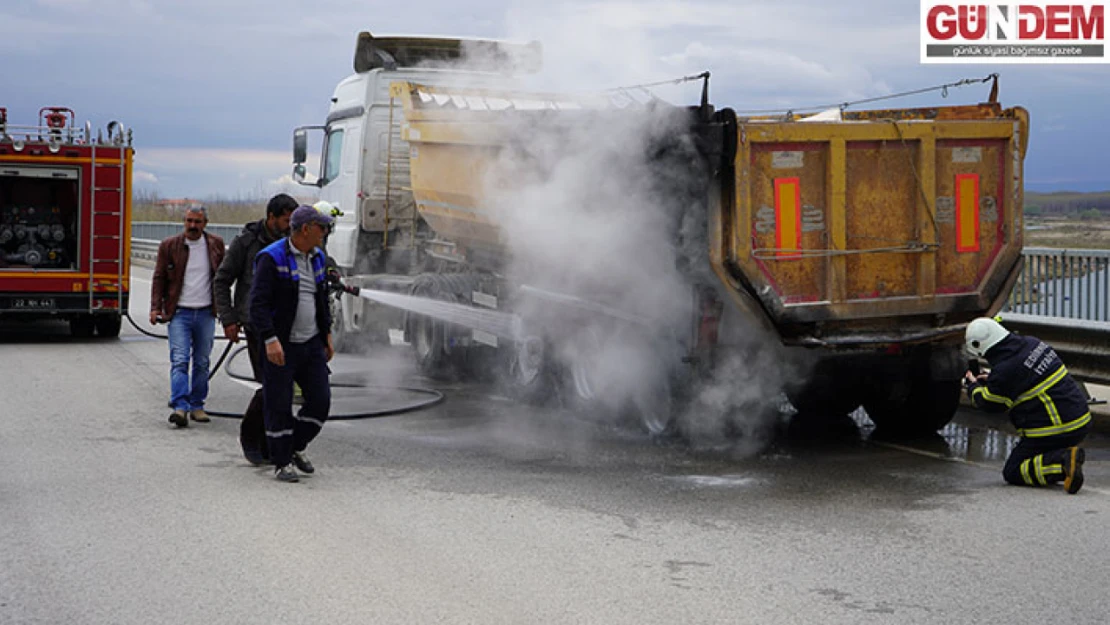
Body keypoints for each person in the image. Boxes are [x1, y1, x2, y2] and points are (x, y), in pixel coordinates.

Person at [249, 205, 336, 482]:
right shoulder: (271, 258)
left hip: (310, 344)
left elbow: (322, 300)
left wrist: (327, 336)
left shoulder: (318, 258)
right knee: (279, 404)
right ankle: (282, 462)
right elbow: (258, 304)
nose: (325, 232)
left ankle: (295, 446)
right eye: (321, 227)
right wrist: (270, 340)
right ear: (306, 229)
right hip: (281, 345)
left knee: (320, 401)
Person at [213, 193, 297, 464]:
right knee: (270, 384)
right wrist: (228, 318)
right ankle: (254, 439)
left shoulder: (293, 243)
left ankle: (273, 441)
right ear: (271, 217)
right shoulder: (246, 243)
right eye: (286, 220)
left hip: (289, 326)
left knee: (281, 385)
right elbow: (222, 280)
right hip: (256, 324)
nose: (290, 226)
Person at [963, 316, 1090, 494]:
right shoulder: (1032, 343)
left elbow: (990, 404)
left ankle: (1061, 462)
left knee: (1014, 471)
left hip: (1057, 429)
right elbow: (1023, 377)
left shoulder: (1006, 371)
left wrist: (972, 387)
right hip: (1080, 419)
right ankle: (1061, 456)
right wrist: (992, 379)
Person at [150, 207, 226, 427]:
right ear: (183, 222)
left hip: (205, 312)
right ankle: (180, 407)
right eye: (189, 221)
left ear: (206, 223)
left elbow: (223, 278)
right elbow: (159, 278)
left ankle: (197, 405)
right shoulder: (169, 246)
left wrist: (227, 311)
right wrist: (156, 307)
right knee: (180, 360)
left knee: (202, 363)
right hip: (179, 313)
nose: (193, 226)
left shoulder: (215, 245)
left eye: (198, 222)